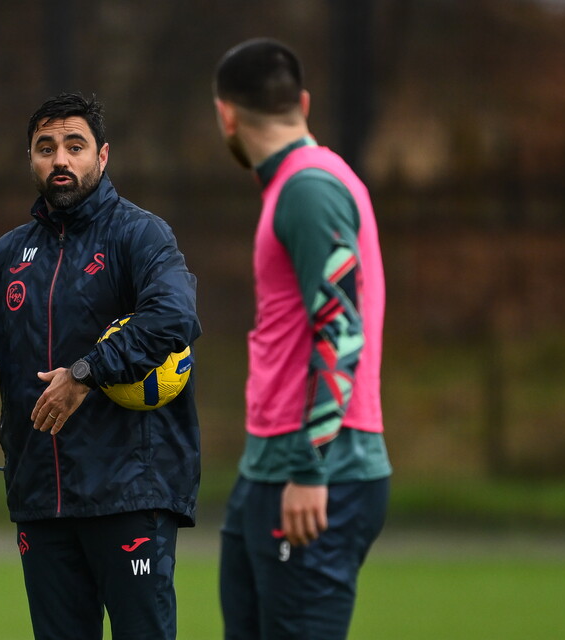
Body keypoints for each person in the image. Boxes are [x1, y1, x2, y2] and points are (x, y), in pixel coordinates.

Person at [0, 92, 201, 640]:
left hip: (130, 493)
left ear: (102, 155)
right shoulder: (11, 254)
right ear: (30, 159)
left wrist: (86, 372)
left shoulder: (139, 234)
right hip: (42, 499)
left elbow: (174, 315)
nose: (60, 160)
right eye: (46, 147)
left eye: (75, 146)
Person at [212, 39, 392, 639]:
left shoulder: (310, 188)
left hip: (317, 470)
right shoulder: (294, 184)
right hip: (269, 467)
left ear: (226, 115)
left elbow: (341, 328)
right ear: (304, 104)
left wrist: (312, 469)